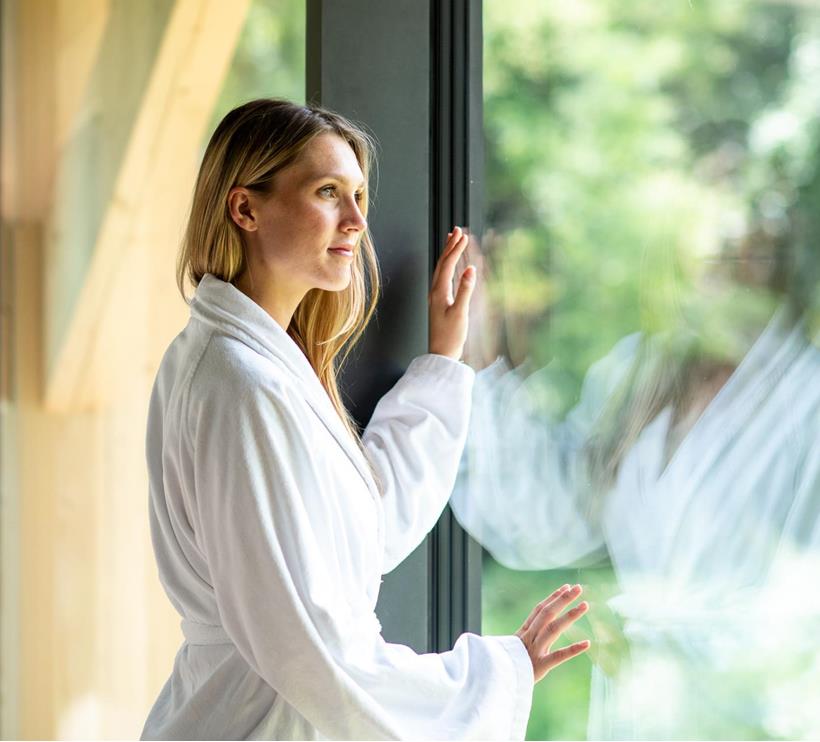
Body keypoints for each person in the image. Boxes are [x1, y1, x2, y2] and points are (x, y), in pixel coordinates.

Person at [140, 98, 591, 741]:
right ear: (245, 209)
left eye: (359, 196)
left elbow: (359, 531)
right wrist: (494, 673)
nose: (356, 221)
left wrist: (442, 361)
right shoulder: (240, 384)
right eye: (328, 192)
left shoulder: (256, 364)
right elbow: (312, 648)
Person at [451, 231, 820, 738]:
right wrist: (481, 356)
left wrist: (643, 625)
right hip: (641, 714)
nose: (728, 250)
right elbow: (550, 522)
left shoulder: (808, 403)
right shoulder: (640, 372)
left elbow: (799, 618)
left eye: (751, 236)